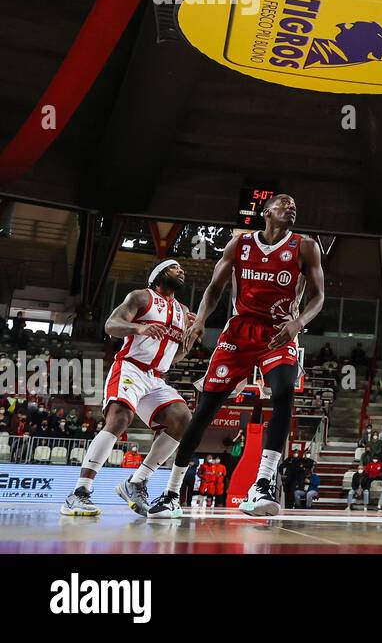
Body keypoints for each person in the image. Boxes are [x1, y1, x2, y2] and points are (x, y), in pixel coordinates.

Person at [149, 194, 326, 518]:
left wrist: (298, 322)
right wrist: (201, 320)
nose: (291, 207)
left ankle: (261, 485)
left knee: (285, 393)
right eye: (284, 203)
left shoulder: (305, 247)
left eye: (294, 205)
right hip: (239, 332)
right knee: (204, 412)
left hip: (278, 332)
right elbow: (214, 288)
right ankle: (171, 493)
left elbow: (319, 296)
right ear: (266, 211)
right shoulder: (240, 245)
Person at [62, 260, 194, 518]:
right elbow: (111, 325)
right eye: (175, 268)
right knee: (120, 419)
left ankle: (136, 481)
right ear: (159, 275)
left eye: (181, 269)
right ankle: (79, 492)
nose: (181, 271)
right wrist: (139, 327)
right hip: (131, 368)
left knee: (183, 418)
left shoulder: (183, 311)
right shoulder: (141, 297)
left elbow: (175, 356)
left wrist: (188, 341)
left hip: (156, 378)